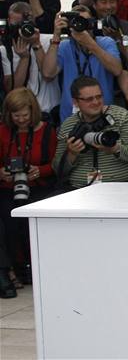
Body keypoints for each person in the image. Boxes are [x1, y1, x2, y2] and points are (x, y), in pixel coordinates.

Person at [0, 88, 56, 294]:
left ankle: (38, 267)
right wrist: (2, 173)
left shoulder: (47, 130)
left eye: (25, 115)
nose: (21, 120)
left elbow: (55, 165)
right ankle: (17, 268)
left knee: (34, 218)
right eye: (16, 116)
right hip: (8, 188)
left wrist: (38, 171)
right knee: (9, 218)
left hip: (38, 186)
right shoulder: (3, 131)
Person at [53, 76, 128, 188]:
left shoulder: (121, 116)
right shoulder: (69, 124)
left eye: (99, 97)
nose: (96, 102)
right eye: (89, 99)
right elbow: (57, 169)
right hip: (79, 190)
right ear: (75, 102)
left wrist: (115, 148)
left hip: (118, 188)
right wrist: (71, 154)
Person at [42, 7, 123, 124]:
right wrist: (56, 36)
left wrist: (90, 44)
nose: (82, 25)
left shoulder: (105, 42)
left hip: (102, 115)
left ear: (93, 23)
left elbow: (117, 70)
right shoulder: (65, 46)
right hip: (70, 118)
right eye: (77, 21)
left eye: (86, 21)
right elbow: (48, 74)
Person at [0, 2, 60, 120]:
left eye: (22, 24)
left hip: (49, 109)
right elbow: (13, 89)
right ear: (8, 21)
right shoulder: (6, 49)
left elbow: (48, 75)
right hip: (22, 114)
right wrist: (24, 58)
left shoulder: (50, 41)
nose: (19, 29)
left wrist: (36, 44)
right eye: (14, 24)